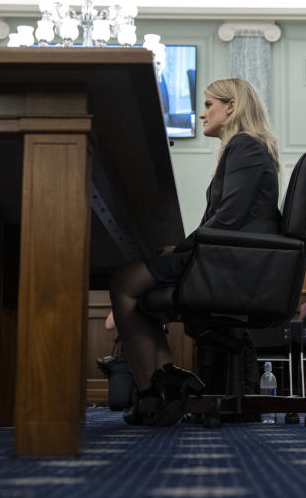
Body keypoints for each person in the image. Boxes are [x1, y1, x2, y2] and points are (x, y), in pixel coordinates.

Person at [109, 77, 281, 427]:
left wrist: (184, 247)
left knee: (124, 280)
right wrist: (181, 247)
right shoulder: (244, 147)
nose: (202, 114)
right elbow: (225, 218)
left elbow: (228, 218)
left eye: (208, 105)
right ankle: (162, 385)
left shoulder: (245, 145)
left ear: (231, 107)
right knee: (140, 294)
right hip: (227, 256)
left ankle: (152, 393)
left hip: (230, 262)